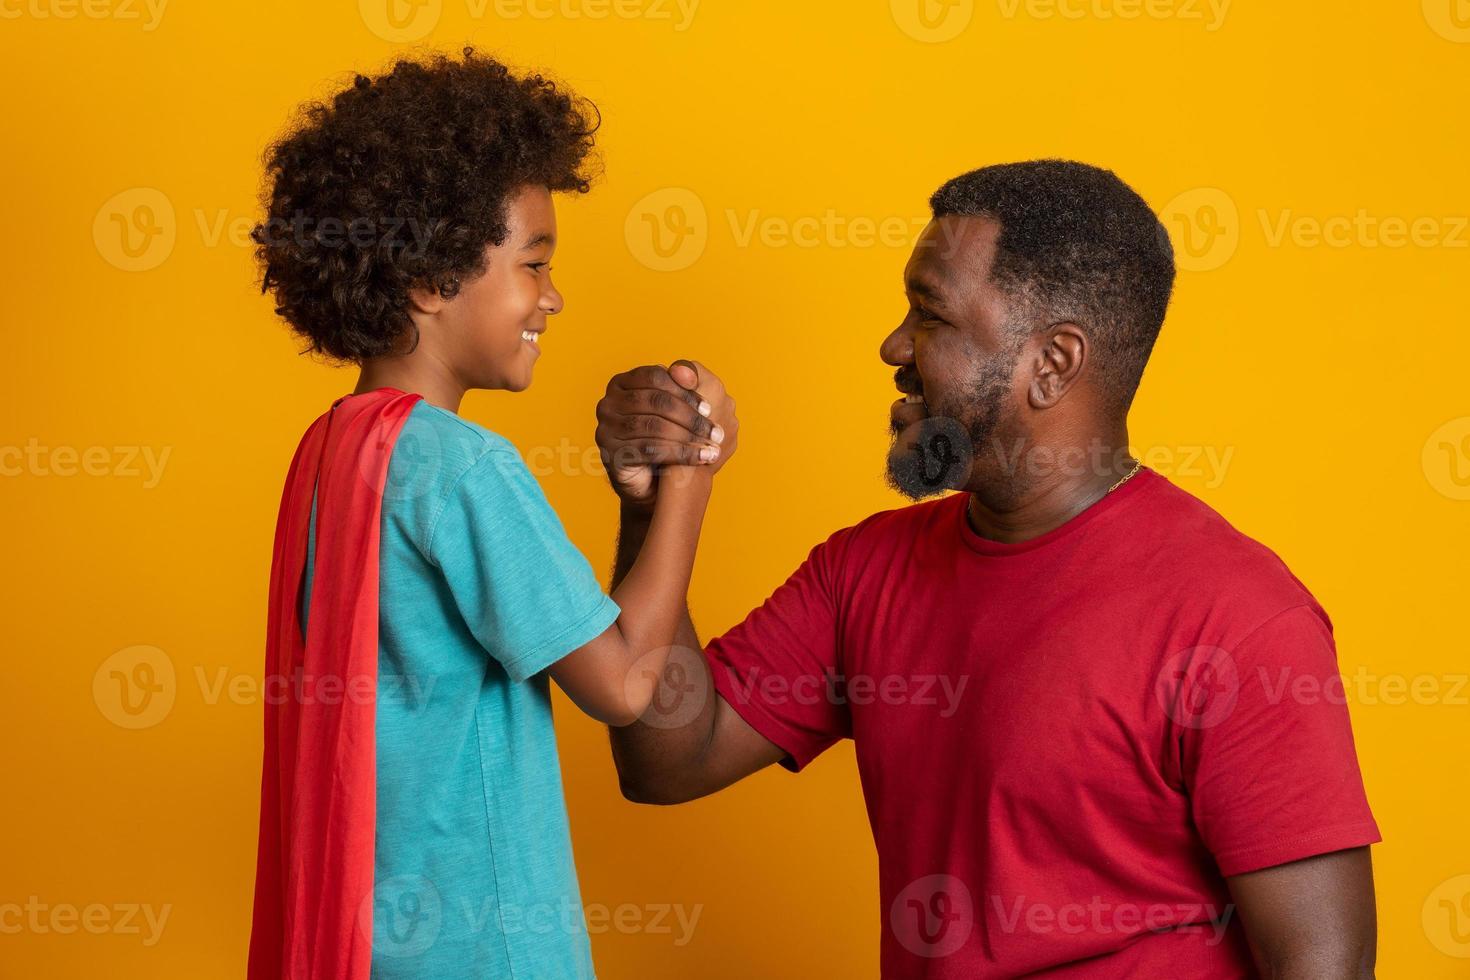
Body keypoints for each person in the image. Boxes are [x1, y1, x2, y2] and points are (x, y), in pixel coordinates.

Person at [595, 160, 1380, 978]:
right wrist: (656, 507)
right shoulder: (865, 569)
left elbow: (1324, 967)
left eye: (930, 316)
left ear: (1053, 362)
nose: (894, 346)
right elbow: (669, 758)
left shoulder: (1241, 621)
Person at [245, 49, 735, 980]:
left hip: (370, 936)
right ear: (431, 279)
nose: (552, 297)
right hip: (487, 946)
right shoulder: (463, 466)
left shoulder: (332, 452)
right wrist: (695, 472)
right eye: (532, 263)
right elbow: (627, 682)